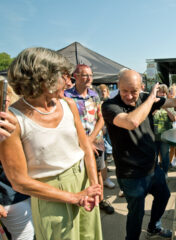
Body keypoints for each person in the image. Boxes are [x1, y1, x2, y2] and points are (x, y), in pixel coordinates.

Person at [0, 47, 102, 240]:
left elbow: (85, 147)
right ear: (43, 78)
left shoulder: (68, 104)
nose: (69, 81)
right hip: (51, 196)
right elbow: (19, 181)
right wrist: (74, 197)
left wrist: (94, 185)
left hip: (84, 182)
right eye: (64, 76)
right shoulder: (12, 119)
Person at [101, 69, 176, 240]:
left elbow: (172, 102)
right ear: (118, 87)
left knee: (164, 195)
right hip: (131, 174)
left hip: (152, 168)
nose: (129, 96)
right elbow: (132, 122)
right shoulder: (109, 106)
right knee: (136, 214)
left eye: (134, 91)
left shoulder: (144, 99)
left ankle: (154, 227)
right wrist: (151, 98)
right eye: (124, 91)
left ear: (141, 87)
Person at [65, 64, 116, 215]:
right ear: (75, 76)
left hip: (96, 141)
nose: (89, 78)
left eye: (90, 75)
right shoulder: (66, 96)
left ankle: (100, 200)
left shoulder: (94, 95)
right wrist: (83, 143)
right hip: (75, 143)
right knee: (79, 173)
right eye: (85, 75)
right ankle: (82, 201)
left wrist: (90, 140)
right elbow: (66, 123)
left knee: (99, 172)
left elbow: (101, 118)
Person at [0, 79, 35, 240]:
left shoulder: (16, 118)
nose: (4, 98)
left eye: (6, 93)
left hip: (27, 190)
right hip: (7, 195)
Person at [153, 84, 176, 177]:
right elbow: (148, 116)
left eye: (164, 92)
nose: (162, 94)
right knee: (154, 157)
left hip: (165, 136)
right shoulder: (152, 104)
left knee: (165, 155)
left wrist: (165, 108)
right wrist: (156, 108)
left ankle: (165, 172)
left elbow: (174, 118)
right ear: (157, 93)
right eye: (160, 92)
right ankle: (155, 173)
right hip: (153, 136)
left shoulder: (170, 104)